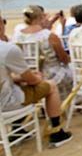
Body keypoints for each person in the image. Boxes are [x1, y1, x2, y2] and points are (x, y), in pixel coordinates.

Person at [0, 12, 72, 147]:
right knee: (50, 85)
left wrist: (17, 78)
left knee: (19, 85)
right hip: (7, 103)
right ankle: (56, 133)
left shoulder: (15, 40)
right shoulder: (7, 49)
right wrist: (35, 77)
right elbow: (32, 81)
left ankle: (17, 129)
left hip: (4, 93)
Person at [12, 5, 73, 100]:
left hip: (27, 76)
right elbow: (64, 59)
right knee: (72, 71)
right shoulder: (49, 36)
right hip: (50, 76)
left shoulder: (17, 36)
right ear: (40, 18)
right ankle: (61, 104)